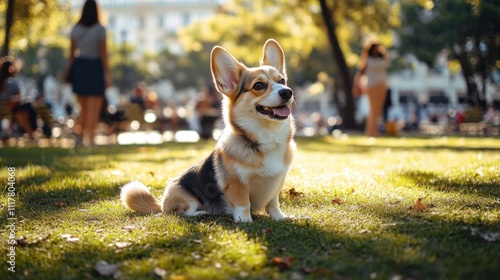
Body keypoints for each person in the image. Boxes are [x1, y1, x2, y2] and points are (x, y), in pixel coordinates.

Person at [65, 0, 111, 146]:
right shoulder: (100, 29)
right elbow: (103, 54)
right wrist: (107, 74)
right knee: (94, 107)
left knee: (83, 107)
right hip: (95, 67)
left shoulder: (75, 29)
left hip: (80, 68)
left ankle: (80, 136)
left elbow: (72, 55)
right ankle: (90, 138)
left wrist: (68, 72)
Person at [353, 38, 389, 137]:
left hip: (382, 85)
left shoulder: (382, 58)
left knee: (378, 109)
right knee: (373, 109)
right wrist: (357, 86)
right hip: (371, 85)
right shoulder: (367, 60)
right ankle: (370, 132)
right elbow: (359, 75)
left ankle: (375, 131)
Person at [0, 56, 36, 139]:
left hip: (4, 108)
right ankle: (31, 132)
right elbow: (18, 97)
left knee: (24, 107)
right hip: (10, 108)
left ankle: (9, 131)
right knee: (27, 106)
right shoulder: (12, 82)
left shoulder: (2, 82)